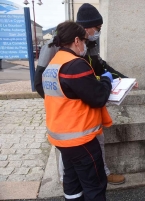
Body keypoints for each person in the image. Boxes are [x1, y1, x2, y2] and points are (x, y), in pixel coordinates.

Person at [34, 3, 126, 185]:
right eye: (97, 28)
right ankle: (67, 181)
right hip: (66, 115)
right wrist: (64, 103)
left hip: (88, 108)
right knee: (69, 157)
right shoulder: (55, 45)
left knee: (97, 142)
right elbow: (39, 81)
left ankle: (102, 172)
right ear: (85, 29)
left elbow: (101, 66)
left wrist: (124, 78)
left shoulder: (89, 44)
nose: (99, 31)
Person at [43, 21, 112, 200]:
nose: (85, 45)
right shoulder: (75, 65)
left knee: (72, 182)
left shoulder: (54, 64)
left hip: (61, 137)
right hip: (80, 138)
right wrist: (106, 80)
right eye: (84, 41)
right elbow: (98, 98)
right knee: (94, 185)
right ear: (76, 40)